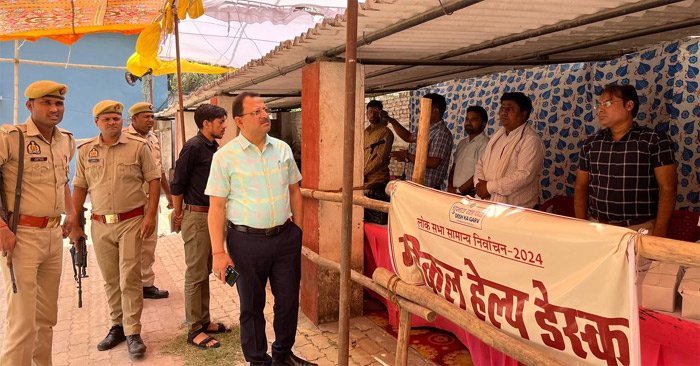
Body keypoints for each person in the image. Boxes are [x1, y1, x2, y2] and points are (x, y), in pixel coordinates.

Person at [206, 92, 316, 366]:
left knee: (289, 300)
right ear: (240, 121)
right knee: (252, 306)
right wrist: (219, 252)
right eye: (256, 112)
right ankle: (257, 360)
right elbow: (217, 207)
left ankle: (283, 354)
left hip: (285, 238)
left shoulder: (282, 149)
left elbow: (294, 190)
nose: (265, 115)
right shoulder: (225, 157)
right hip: (245, 242)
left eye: (265, 109)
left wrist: (298, 230)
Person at [70, 100, 160, 360]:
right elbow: (80, 187)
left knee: (129, 277)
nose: (112, 122)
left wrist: (151, 215)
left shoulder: (138, 147)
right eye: (107, 119)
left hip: (132, 221)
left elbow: (153, 180)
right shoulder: (86, 151)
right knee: (110, 279)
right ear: (96, 122)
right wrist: (75, 223)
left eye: (116, 118)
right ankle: (117, 326)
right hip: (100, 224)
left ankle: (133, 332)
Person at [0, 80, 75, 366]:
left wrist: (70, 214)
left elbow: (63, 181)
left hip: (53, 236)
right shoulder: (11, 137)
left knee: (46, 318)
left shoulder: (65, 139)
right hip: (22, 237)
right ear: (30, 105)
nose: (54, 108)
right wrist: (2, 227)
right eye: (46, 102)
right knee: (22, 322)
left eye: (58, 103)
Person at [574, 84, 676, 236]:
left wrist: (659, 233)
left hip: (639, 229)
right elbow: (581, 187)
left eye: (607, 103)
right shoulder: (591, 143)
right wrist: (581, 225)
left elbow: (668, 188)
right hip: (597, 226)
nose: (600, 110)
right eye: (598, 105)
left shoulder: (654, 141)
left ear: (629, 105)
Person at [170, 104, 230, 349]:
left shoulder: (212, 146)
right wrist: (178, 213)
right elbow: (178, 182)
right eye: (220, 122)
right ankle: (194, 329)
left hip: (211, 217)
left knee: (204, 271)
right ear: (206, 123)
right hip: (196, 217)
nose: (224, 126)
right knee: (195, 274)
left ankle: (204, 321)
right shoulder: (193, 147)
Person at [124, 102, 171, 300]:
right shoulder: (124, 138)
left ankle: (146, 284)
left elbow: (159, 170)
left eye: (152, 117)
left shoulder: (153, 138)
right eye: (146, 117)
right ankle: (129, 287)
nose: (151, 120)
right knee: (130, 247)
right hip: (131, 201)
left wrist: (169, 195)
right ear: (134, 119)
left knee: (149, 244)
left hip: (150, 201)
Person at [474, 92, 544, 208]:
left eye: (510, 109)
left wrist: (488, 187)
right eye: (502, 108)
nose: (504, 113)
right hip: (487, 203)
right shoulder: (498, 136)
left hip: (516, 209)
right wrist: (479, 185)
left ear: (523, 114)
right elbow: (481, 163)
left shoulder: (530, 140)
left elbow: (523, 176)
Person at [388, 93, 453, 189]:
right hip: (415, 186)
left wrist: (408, 156)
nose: (420, 113)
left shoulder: (441, 133)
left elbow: (433, 162)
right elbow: (409, 137)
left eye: (424, 109)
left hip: (427, 189)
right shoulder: (425, 128)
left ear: (435, 111)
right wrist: (392, 121)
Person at [363, 100, 394, 224]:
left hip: (377, 179)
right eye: (370, 111)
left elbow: (381, 158)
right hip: (363, 178)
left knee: (374, 217)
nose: (372, 114)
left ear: (381, 113)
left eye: (376, 111)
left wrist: (363, 171)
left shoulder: (386, 132)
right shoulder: (365, 132)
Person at [447, 105, 489, 196]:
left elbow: (479, 172)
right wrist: (450, 187)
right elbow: (454, 167)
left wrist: (459, 191)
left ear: (483, 124)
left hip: (471, 194)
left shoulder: (486, 144)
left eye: (473, 119)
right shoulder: (462, 143)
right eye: (467, 119)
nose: (468, 122)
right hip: (454, 193)